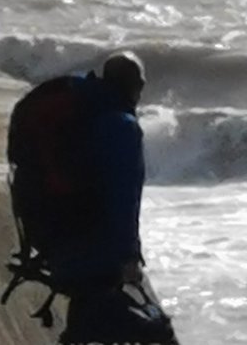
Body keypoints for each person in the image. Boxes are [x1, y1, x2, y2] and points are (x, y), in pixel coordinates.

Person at [56, 53, 178, 344]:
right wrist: (129, 255)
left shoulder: (83, 114)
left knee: (84, 325)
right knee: (156, 333)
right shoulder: (121, 127)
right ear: (134, 85)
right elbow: (123, 198)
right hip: (98, 252)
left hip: (63, 242)